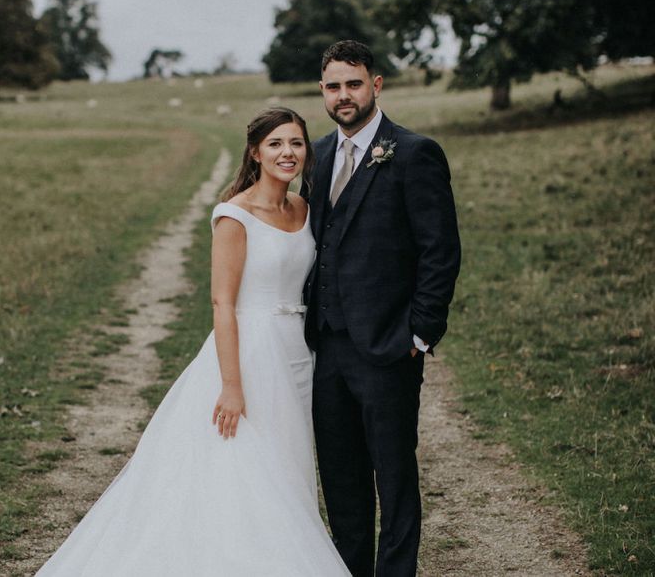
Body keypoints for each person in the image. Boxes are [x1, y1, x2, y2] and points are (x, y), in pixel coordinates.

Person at [36, 108, 350, 576]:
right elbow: (223, 304)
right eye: (276, 144)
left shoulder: (304, 210)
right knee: (246, 473)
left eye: (297, 143)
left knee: (288, 468)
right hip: (249, 352)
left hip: (296, 354)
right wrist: (231, 384)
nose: (288, 153)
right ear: (255, 152)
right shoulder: (234, 215)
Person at [303, 40, 461, 577]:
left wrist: (419, 334)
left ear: (376, 84)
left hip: (388, 347)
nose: (343, 95)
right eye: (333, 86)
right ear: (322, 91)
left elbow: (440, 251)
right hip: (327, 347)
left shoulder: (414, 153)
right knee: (342, 479)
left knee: (393, 478)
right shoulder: (318, 154)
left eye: (353, 83)